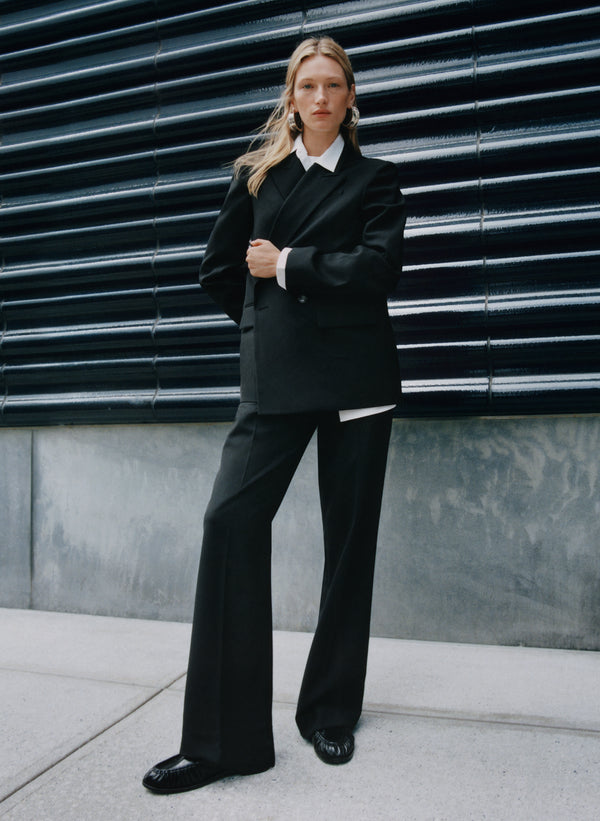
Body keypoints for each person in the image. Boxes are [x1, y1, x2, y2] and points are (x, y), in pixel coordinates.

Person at [143, 35, 405, 794]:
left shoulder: (378, 180)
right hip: (276, 380)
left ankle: (328, 711)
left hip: (359, 382)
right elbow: (220, 271)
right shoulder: (255, 177)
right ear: (290, 97)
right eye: (307, 86)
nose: (320, 98)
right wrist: (271, 328)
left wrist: (288, 264)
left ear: (351, 97)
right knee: (228, 523)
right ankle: (223, 742)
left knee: (348, 550)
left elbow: (378, 268)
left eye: (333, 85)